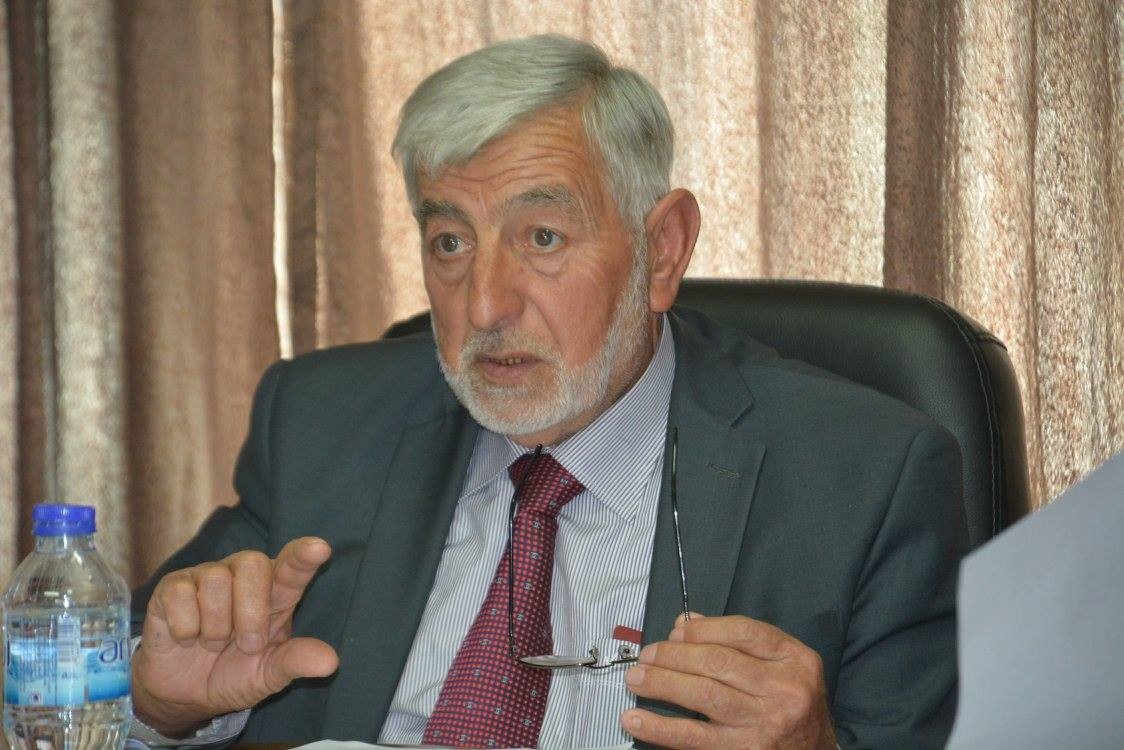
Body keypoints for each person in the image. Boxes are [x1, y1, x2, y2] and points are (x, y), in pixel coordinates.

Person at [127, 34, 967, 750]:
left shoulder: (865, 475)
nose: (484, 305)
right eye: (449, 242)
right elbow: (147, 662)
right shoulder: (322, 422)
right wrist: (159, 705)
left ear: (662, 251)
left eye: (542, 237)